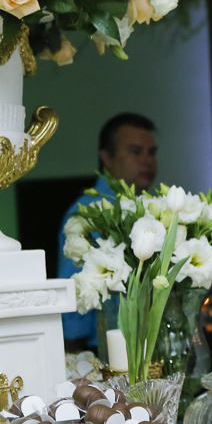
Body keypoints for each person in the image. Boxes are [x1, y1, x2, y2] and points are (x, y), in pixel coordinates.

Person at [59, 113, 159, 352]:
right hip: (103, 350)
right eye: (136, 152)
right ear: (107, 158)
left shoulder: (151, 206)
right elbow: (73, 291)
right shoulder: (90, 212)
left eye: (152, 152)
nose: (147, 160)